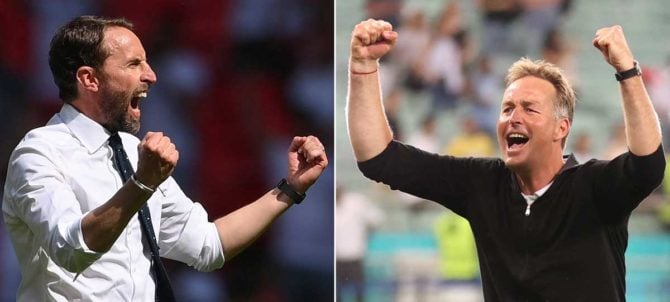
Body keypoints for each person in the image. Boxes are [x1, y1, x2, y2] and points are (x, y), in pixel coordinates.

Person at [2, 15, 328, 301]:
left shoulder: (134, 153)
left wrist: (290, 189)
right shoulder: (39, 154)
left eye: (146, 62)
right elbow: (71, 250)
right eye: (133, 65)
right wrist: (142, 183)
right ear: (90, 79)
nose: (151, 76)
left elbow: (208, 246)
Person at [346, 19, 664, 301]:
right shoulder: (481, 183)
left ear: (561, 128)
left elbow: (648, 166)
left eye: (529, 108)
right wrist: (362, 67)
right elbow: (377, 157)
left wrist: (627, 71)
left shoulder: (595, 187)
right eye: (507, 107)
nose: (513, 117)